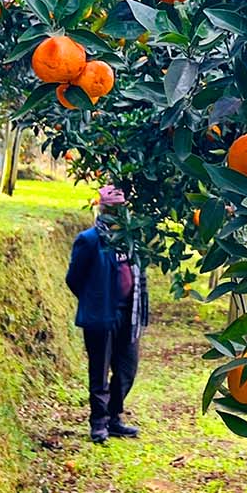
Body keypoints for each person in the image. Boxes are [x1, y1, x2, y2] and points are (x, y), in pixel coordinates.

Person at [65, 183, 149, 443]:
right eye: (112, 208)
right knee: (99, 372)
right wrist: (94, 299)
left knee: (127, 369)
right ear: (102, 209)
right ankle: (99, 423)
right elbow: (74, 278)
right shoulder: (89, 240)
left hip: (128, 313)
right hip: (101, 315)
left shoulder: (131, 239)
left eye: (120, 208)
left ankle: (114, 418)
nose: (116, 213)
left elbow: (139, 274)